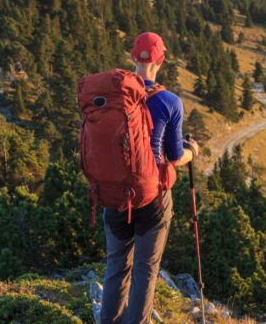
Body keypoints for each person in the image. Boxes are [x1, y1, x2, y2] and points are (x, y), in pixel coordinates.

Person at [101, 31, 198, 324]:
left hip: (115, 194)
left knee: (116, 265)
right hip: (151, 198)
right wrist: (193, 152)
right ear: (161, 60)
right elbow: (175, 155)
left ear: (133, 57)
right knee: (145, 269)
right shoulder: (169, 102)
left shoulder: (111, 95)